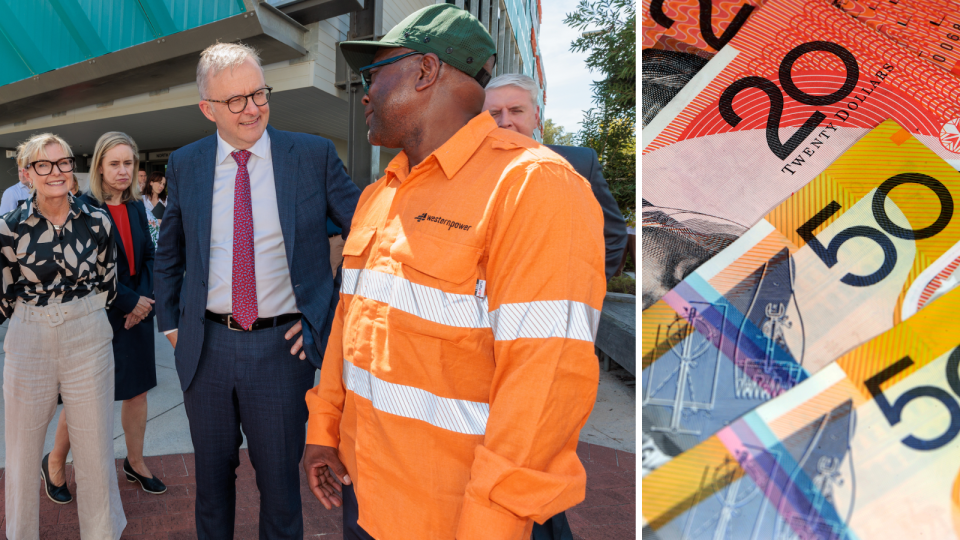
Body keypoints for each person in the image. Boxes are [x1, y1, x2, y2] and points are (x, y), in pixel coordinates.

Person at [302, 5, 605, 539]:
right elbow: (348, 323)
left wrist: (491, 524)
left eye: (375, 74)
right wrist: (324, 429)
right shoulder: (380, 192)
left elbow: (544, 384)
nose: (364, 91)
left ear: (425, 71)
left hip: (454, 517)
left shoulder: (533, 186)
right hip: (364, 494)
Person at [153, 42, 361, 539]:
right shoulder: (187, 163)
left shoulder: (311, 155)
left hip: (281, 351)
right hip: (207, 348)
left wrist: (322, 312)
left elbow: (369, 235)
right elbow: (170, 252)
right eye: (235, 101)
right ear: (208, 109)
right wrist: (173, 325)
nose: (252, 109)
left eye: (258, 94)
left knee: (281, 490)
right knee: (212, 485)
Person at [2, 133, 125, 538]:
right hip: (28, 335)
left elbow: (109, 282)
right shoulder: (9, 229)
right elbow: (3, 295)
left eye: (63, 162)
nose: (55, 172)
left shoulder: (97, 220)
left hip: (88, 333)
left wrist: (82, 316)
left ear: (73, 167)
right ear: (27, 174)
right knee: (20, 454)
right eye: (44, 164)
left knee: (94, 451)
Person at [46, 132, 167, 502]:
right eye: (114, 163)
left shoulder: (134, 207)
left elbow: (148, 255)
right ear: (99, 165)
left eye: (128, 163)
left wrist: (144, 301)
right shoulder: (80, 208)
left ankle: (135, 462)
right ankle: (53, 464)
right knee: (82, 397)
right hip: (98, 315)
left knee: (137, 393)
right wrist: (130, 303)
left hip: (137, 312)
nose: (122, 171)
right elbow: (86, 272)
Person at [483, 73, 628, 281]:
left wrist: (583, 291)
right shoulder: (462, 169)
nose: (505, 122)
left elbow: (612, 236)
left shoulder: (579, 164)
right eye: (494, 113)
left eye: (516, 111)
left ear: (535, 116)